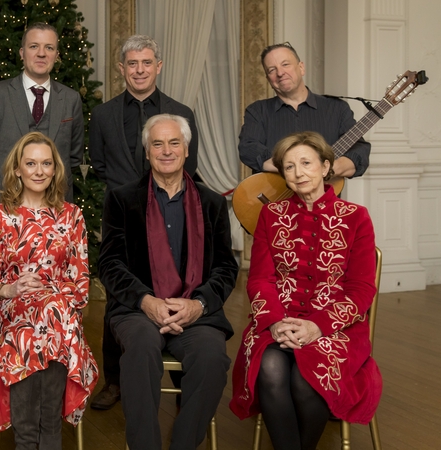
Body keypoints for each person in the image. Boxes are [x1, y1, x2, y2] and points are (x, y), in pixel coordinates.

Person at [230, 131, 382, 450]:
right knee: (270, 370)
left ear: (326, 167)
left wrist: (317, 326)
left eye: (306, 163)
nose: (298, 173)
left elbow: (361, 290)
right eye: (289, 166)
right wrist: (275, 322)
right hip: (277, 322)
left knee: (305, 377)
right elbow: (259, 279)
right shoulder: (271, 215)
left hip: (336, 327)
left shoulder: (356, 218)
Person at [0, 22, 85, 412]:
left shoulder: (71, 99)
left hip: (54, 227)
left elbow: (75, 156)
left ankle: (47, 392)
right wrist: (5, 183)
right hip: (8, 218)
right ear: (21, 52)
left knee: (50, 310)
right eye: (34, 46)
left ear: (57, 54)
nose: (42, 53)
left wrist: (45, 194)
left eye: (49, 48)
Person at [99, 114, 237, 450]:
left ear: (186, 149)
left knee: (211, 357)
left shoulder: (213, 203)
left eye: (174, 143)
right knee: (142, 349)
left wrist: (198, 304)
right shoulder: (122, 199)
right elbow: (109, 263)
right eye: (157, 144)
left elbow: (225, 267)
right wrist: (146, 301)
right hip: (138, 309)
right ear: (147, 152)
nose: (166, 151)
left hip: (195, 311)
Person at [88, 34, 200, 410]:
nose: (139, 70)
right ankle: (116, 381)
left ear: (158, 66)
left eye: (146, 62)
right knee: (120, 292)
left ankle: (184, 378)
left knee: (179, 286)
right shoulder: (102, 115)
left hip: (173, 214)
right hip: (123, 216)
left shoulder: (181, 111)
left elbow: (191, 166)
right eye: (132, 64)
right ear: (122, 68)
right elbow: (99, 165)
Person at [0, 132, 98, 449]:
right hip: (10, 315)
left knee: (51, 310)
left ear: (55, 169)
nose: (39, 171)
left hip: (57, 318)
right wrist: (12, 288)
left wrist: (49, 295)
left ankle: (42, 434)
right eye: (31, 164)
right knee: (42, 318)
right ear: (17, 169)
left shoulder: (72, 216)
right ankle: (32, 436)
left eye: (46, 163)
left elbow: (80, 282)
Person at [239, 42, 371, 178]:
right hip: (274, 197)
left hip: (325, 197)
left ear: (301, 68)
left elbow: (360, 150)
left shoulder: (337, 108)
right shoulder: (257, 111)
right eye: (272, 70)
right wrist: (293, 168)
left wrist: (332, 168)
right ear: (268, 79)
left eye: (285, 64)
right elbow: (248, 148)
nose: (280, 73)